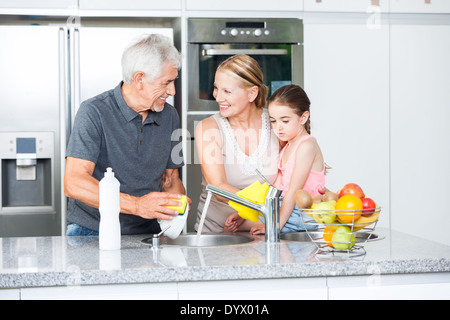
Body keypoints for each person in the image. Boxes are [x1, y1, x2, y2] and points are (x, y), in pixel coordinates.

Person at [64, 34, 190, 236]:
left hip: (150, 232)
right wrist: (137, 205)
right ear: (140, 79)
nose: (173, 91)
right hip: (92, 230)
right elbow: (74, 182)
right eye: (166, 82)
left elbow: (171, 179)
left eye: (173, 82)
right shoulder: (93, 111)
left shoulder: (170, 116)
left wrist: (175, 205)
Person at [195, 54, 280, 233]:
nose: (218, 97)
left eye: (227, 91)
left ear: (252, 93)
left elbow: (287, 179)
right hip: (216, 235)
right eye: (216, 88)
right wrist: (258, 206)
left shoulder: (276, 124)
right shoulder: (208, 127)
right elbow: (217, 186)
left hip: (263, 231)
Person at [246, 84, 326, 234]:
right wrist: (246, 211)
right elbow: (276, 188)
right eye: (273, 121)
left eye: (285, 121)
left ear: (303, 117)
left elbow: (293, 192)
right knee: (241, 221)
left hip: (302, 213)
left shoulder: (307, 146)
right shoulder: (288, 146)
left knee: (245, 226)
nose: (278, 128)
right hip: (287, 208)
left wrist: (274, 226)